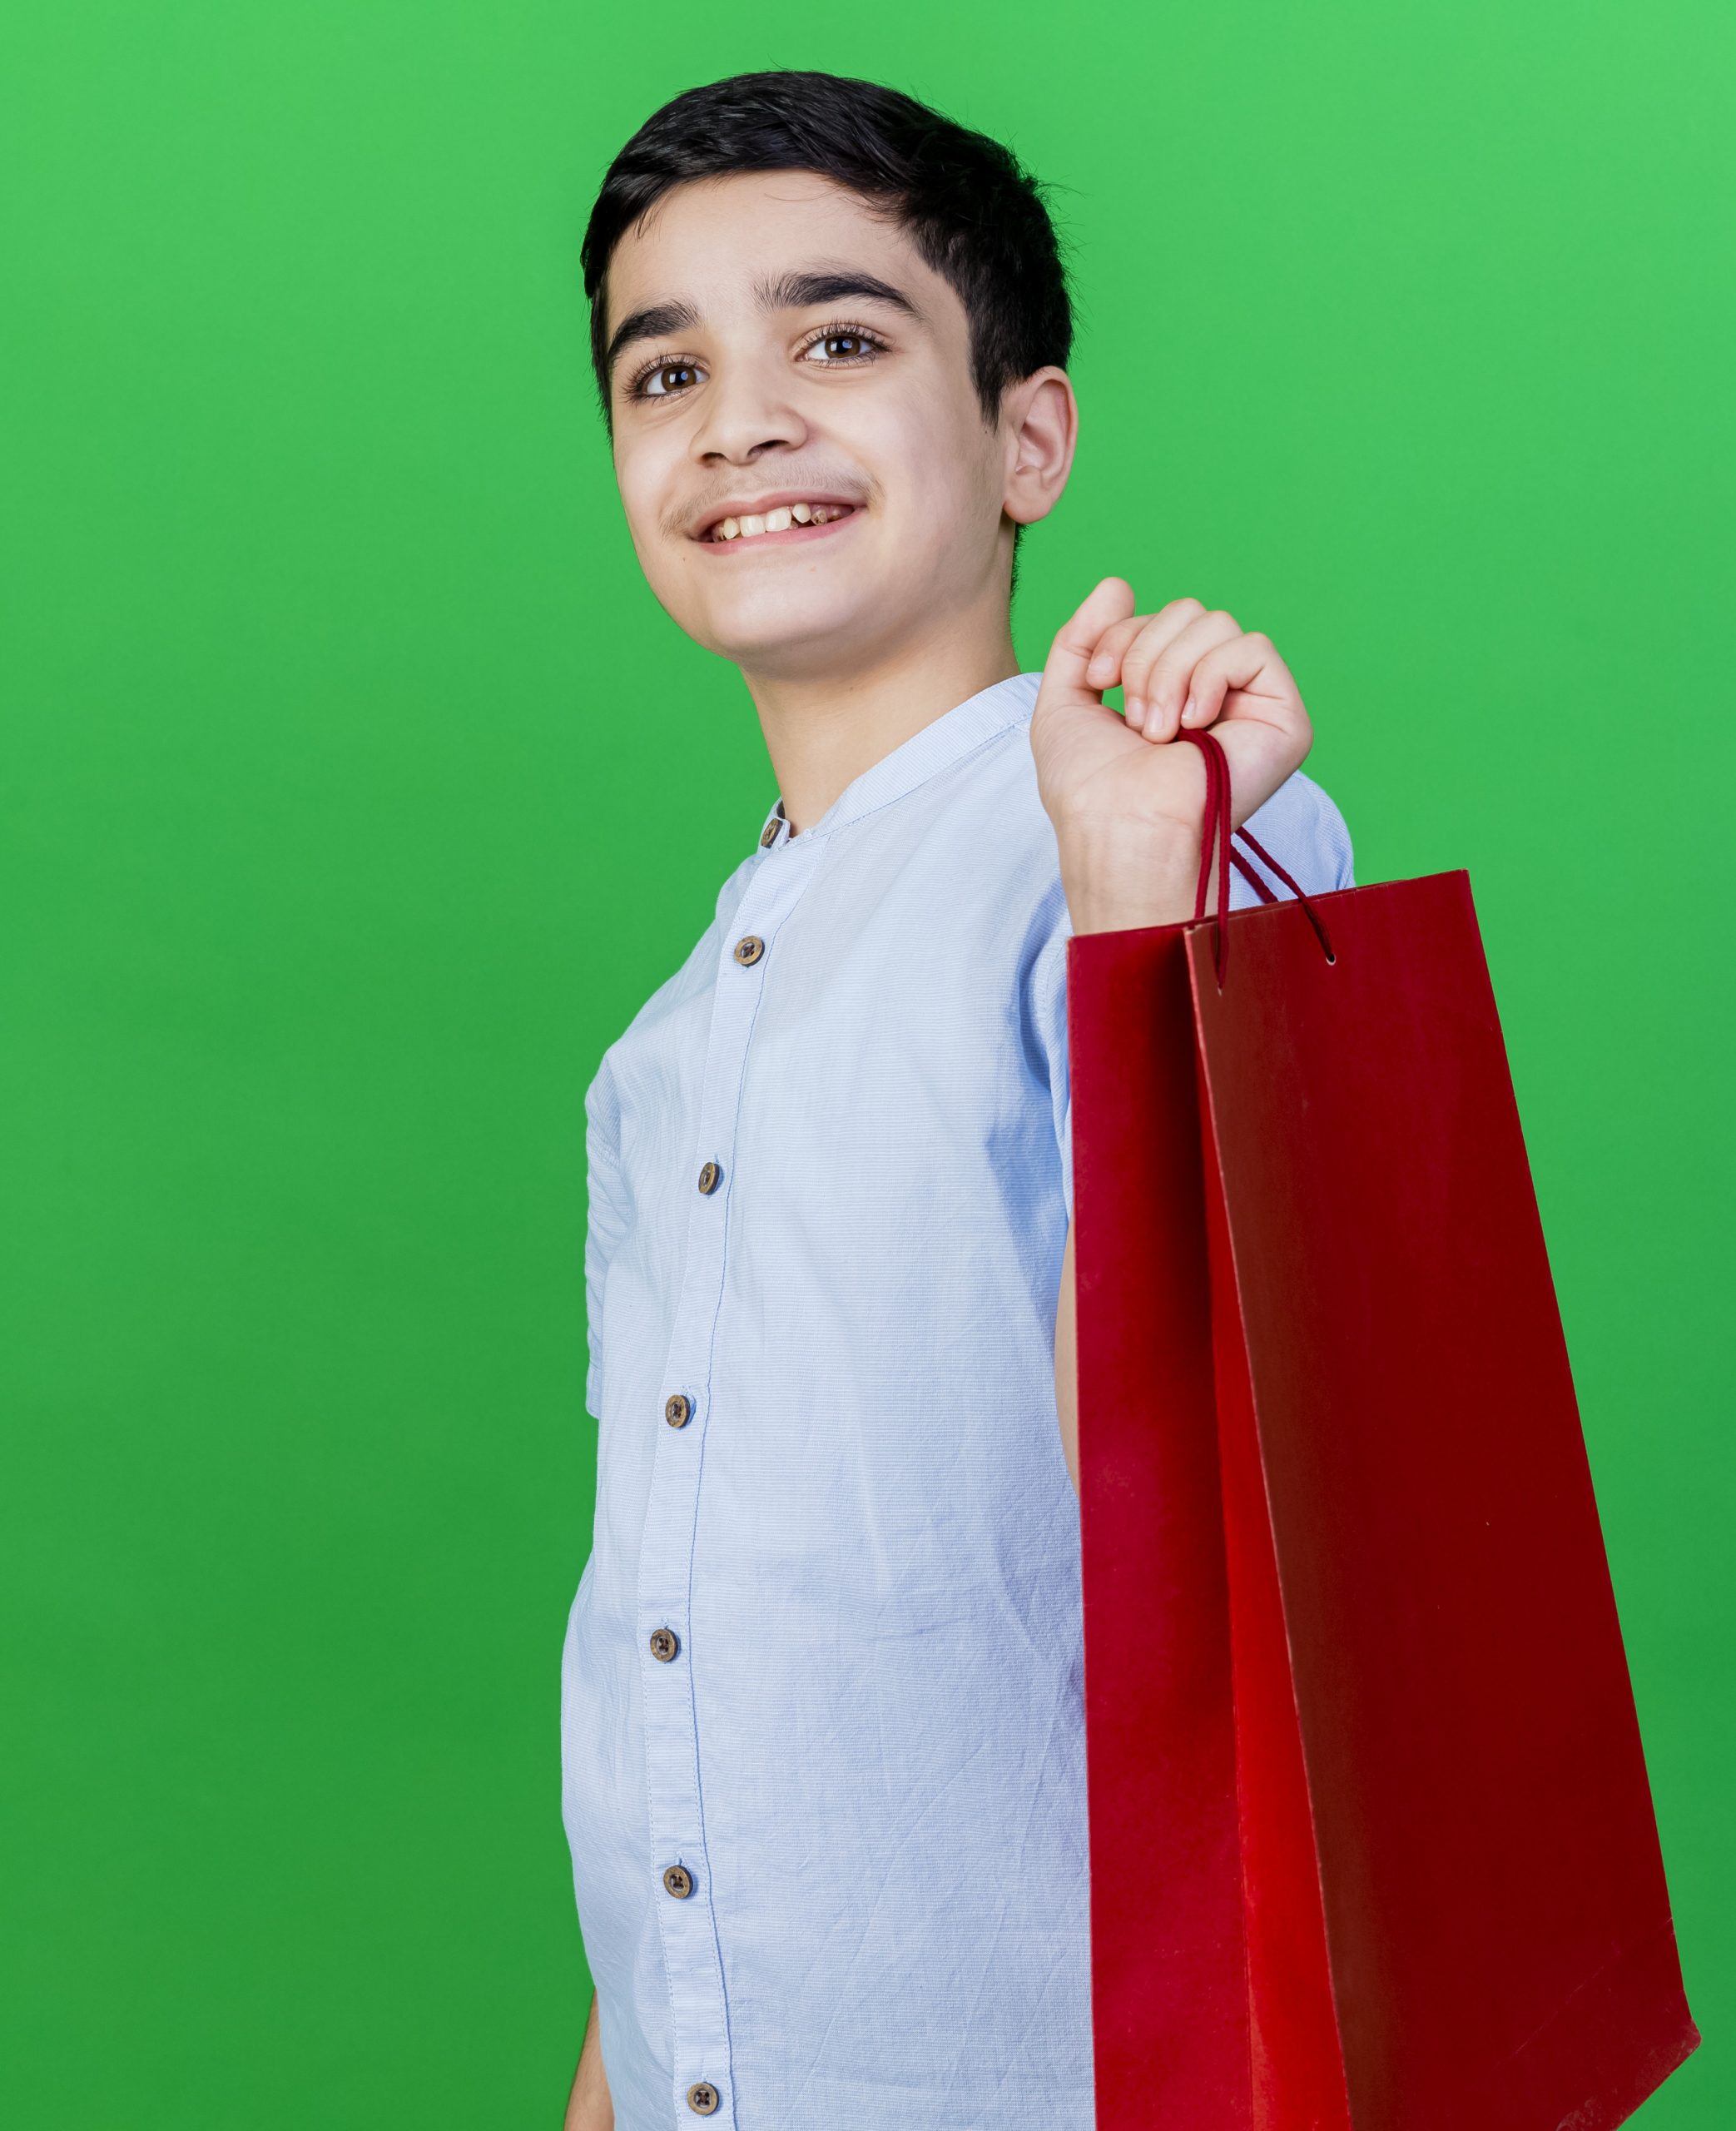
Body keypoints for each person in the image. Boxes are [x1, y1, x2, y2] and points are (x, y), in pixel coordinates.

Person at [558, 68, 1352, 2130]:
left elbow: (1203, 1482)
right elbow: (670, 1656)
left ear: (1027, 435)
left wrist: (1124, 888)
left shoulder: (1173, 823)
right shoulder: (661, 1050)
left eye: (837, 337)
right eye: (665, 372)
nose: (740, 417)